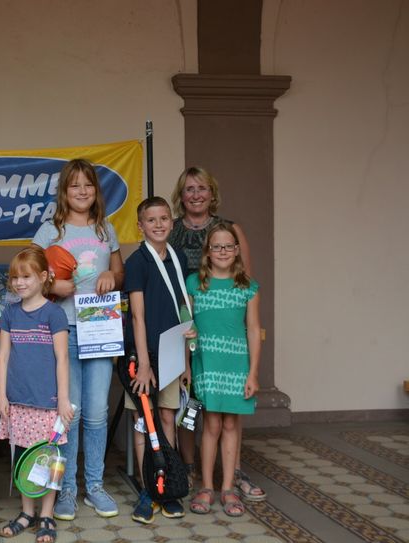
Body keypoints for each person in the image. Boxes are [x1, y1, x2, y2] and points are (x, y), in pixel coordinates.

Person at [32, 158, 124, 520]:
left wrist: (111, 279)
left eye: (88, 184)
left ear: (96, 191)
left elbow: (119, 271)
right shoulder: (48, 232)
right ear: (64, 192)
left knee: (97, 412)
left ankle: (95, 486)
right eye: (74, 185)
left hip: (100, 329)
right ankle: (66, 488)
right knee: (69, 412)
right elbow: (28, 274)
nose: (82, 191)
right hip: (62, 330)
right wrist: (53, 284)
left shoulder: (105, 229)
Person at [169, 166, 265, 502]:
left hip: (229, 344)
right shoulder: (172, 232)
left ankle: (230, 478)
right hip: (195, 336)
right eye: (188, 189)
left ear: (212, 192)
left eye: (202, 188)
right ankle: (193, 472)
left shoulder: (230, 232)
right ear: (181, 196)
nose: (195, 194)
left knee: (227, 420)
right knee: (193, 410)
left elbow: (246, 286)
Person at [123, 196, 196, 524]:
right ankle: (147, 487)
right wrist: (144, 364)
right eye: (151, 220)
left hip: (171, 351)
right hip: (143, 355)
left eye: (164, 218)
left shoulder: (178, 257)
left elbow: (183, 309)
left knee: (167, 416)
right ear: (141, 226)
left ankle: (168, 484)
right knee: (143, 421)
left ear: (171, 221)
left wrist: (186, 361)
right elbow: (137, 316)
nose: (158, 224)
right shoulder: (137, 262)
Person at [0, 247, 73, 543]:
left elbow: (62, 358)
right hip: (18, 402)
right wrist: (1, 396)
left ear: (43, 277)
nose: (19, 283)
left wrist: (63, 399)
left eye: (26, 276)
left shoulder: (54, 314)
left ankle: (47, 515)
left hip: (49, 403)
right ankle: (27, 512)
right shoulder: (10, 314)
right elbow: (2, 357)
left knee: (49, 459)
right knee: (23, 459)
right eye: (15, 277)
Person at [186, 222, 260, 517]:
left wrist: (253, 373)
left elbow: (253, 330)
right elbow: (186, 324)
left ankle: (228, 487)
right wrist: (185, 366)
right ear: (207, 251)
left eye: (228, 246)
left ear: (237, 250)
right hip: (207, 363)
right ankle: (206, 486)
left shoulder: (248, 287)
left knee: (231, 426)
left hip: (237, 365)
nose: (223, 251)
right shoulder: (195, 284)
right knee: (211, 425)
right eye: (216, 246)